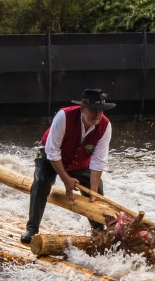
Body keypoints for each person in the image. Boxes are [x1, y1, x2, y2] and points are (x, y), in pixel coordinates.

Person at [22, 88, 114, 244]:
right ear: (83, 108)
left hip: (78, 162)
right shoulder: (64, 116)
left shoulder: (105, 126)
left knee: (96, 192)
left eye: (100, 111)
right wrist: (65, 179)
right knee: (42, 181)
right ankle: (32, 229)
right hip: (50, 156)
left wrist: (93, 193)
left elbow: (98, 161)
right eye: (93, 110)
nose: (98, 115)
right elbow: (52, 151)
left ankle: (99, 234)